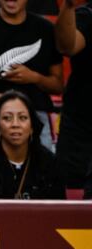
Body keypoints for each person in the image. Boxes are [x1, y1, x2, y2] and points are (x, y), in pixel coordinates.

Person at [0, 0, 63, 151]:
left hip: (36, 117)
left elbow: (58, 85)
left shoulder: (46, 29)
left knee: (41, 173)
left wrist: (34, 77)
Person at [0, 90, 62, 199]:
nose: (15, 124)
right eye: (7, 118)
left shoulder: (50, 163)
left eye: (22, 118)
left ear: (32, 127)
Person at [55, 0, 92, 198]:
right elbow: (67, 46)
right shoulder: (87, 15)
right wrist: (68, 6)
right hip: (81, 132)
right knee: (71, 200)